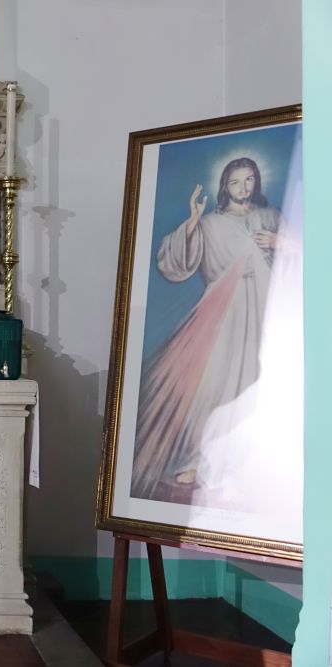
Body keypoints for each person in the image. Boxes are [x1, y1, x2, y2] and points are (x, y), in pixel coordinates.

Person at [130, 157, 282, 502]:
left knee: (258, 387)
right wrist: (192, 221)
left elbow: (310, 253)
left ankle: (251, 466)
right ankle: (200, 462)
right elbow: (175, 263)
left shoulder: (271, 217)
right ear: (225, 186)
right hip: (224, 313)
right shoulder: (211, 224)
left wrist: (280, 243)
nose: (243, 187)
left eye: (248, 180)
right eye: (235, 181)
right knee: (213, 388)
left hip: (268, 311)